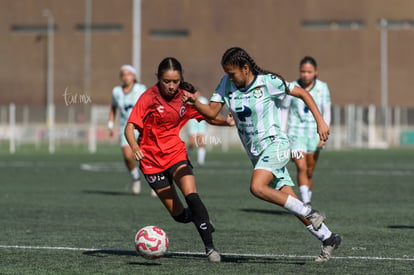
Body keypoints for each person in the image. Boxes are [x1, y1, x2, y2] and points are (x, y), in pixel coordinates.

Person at [182, 47, 341, 262]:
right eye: (226, 73)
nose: (229, 77)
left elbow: (302, 93)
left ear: (245, 68)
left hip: (276, 145)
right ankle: (328, 238)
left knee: (257, 187)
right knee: (289, 200)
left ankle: (311, 213)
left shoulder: (268, 81)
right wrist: (195, 103)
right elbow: (211, 111)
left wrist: (320, 121)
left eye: (232, 73)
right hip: (256, 153)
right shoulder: (226, 83)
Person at [125, 57, 233, 262]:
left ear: (181, 79)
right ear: (158, 78)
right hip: (151, 162)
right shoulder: (148, 97)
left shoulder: (186, 97)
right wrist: (135, 146)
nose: (171, 86)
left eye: (175, 81)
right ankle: (201, 219)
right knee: (179, 216)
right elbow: (130, 126)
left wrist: (226, 123)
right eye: (167, 81)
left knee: (192, 195)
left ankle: (210, 248)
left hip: (176, 154)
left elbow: (208, 116)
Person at [281, 56, 331, 206]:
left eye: (309, 71)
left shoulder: (323, 88)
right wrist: (282, 134)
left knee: (309, 170)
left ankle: (306, 198)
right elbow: (284, 110)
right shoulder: (292, 87)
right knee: (301, 166)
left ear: (315, 72)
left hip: (314, 135)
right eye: (303, 71)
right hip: (295, 134)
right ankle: (306, 203)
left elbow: (326, 111)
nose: (305, 74)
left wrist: (325, 131)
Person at [108, 65, 154, 196]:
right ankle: (136, 178)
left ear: (134, 76)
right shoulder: (116, 91)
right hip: (126, 127)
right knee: (128, 156)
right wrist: (110, 125)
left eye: (128, 74)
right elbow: (113, 108)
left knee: (147, 157)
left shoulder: (141, 89)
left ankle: (155, 182)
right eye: (123, 74)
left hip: (142, 126)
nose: (125, 76)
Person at [187, 91, 209, 166]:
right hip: (192, 123)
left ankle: (201, 161)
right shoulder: (189, 101)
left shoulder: (204, 100)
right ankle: (186, 158)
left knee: (201, 143)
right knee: (191, 143)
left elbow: (208, 111)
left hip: (201, 124)